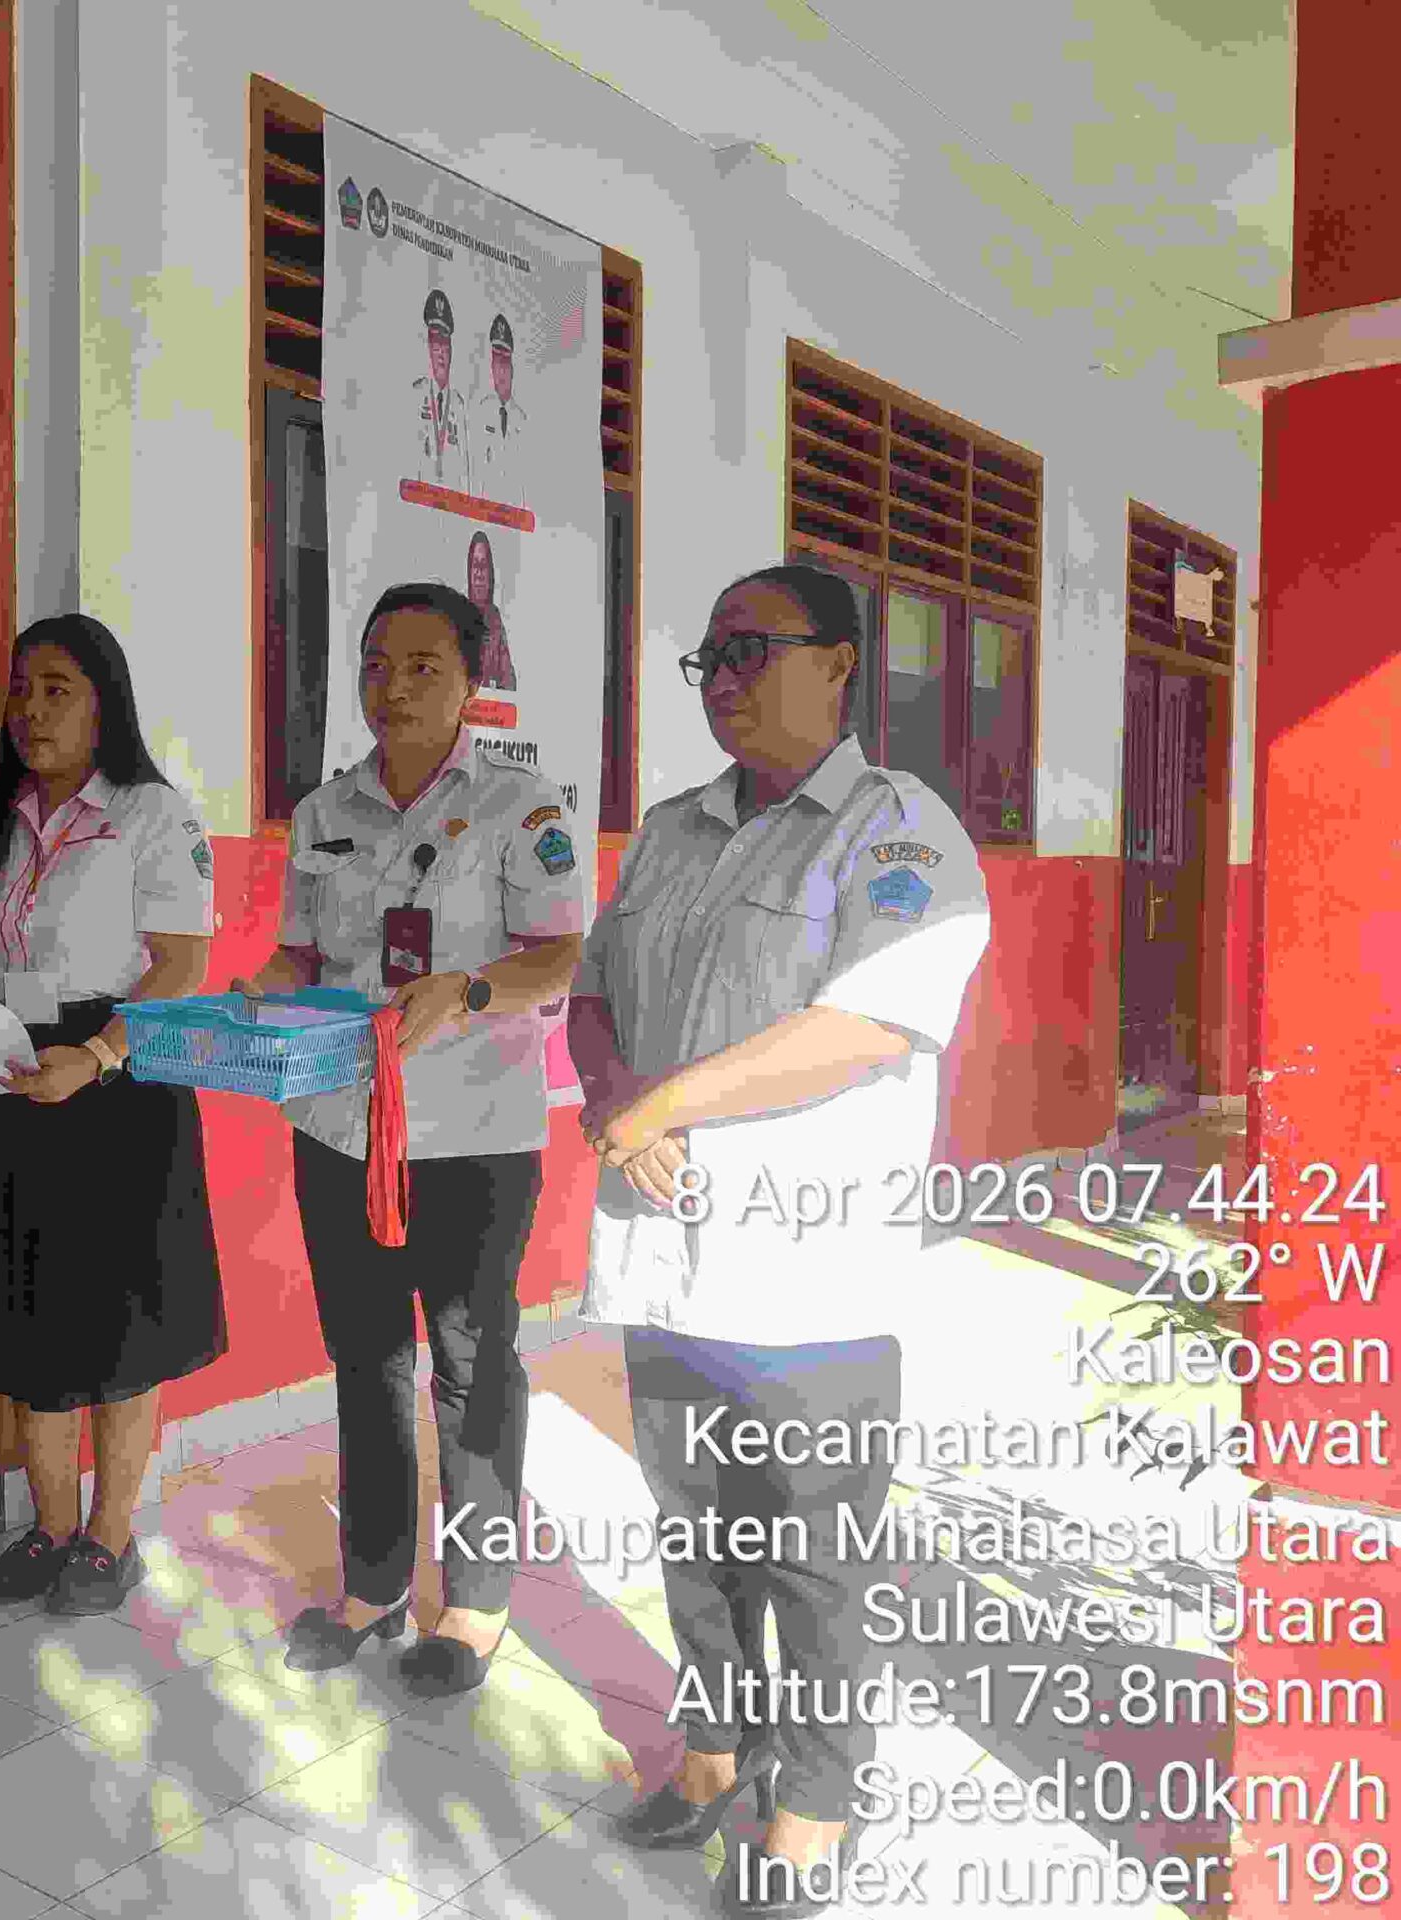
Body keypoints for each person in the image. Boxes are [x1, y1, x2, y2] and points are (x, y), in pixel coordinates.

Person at [569, 561, 990, 1919]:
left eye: (753, 649)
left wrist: (665, 1104)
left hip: (810, 1280)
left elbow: (864, 1024)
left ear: (841, 664)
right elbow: (592, 995)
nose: (724, 679)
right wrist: (615, 1100)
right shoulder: (672, 831)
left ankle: (815, 1802)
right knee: (693, 1538)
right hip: (664, 1259)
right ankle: (714, 1750)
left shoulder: (898, 832)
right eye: (710, 656)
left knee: (813, 1564)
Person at [235, 582, 588, 1696]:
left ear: (474, 684)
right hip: (341, 1126)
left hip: (473, 1134)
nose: (391, 687)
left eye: (423, 666)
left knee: (471, 1366)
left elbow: (560, 955)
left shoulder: (523, 807)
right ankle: (376, 1584)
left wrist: (468, 990)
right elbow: (302, 955)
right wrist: (254, 994)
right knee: (366, 1357)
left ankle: (475, 1603)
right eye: (376, 664)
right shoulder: (323, 811)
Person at [0, 614, 226, 1615]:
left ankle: (110, 1537)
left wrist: (96, 1057)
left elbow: (180, 965)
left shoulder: (150, 815)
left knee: (120, 1325)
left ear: (103, 704)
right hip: (8, 1072)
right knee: (23, 1315)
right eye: (20, 689)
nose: (32, 711)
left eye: (57, 690)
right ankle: (50, 1527)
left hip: (120, 1078)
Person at [412, 289, 466, 487]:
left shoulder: (458, 405)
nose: (441, 352)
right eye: (435, 343)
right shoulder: (415, 395)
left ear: (451, 350)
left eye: (445, 344)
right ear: (428, 346)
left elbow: (465, 472)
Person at [468, 313, 526, 493]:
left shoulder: (522, 420)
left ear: (512, 369)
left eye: (505, 362)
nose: (500, 370)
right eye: (496, 361)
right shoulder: (480, 413)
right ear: (491, 367)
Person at [466, 532, 515, 691]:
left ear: (490, 573)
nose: (479, 573)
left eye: (483, 565)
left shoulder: (494, 619)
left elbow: (508, 679)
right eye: (475, 565)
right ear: (469, 571)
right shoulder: (460, 613)